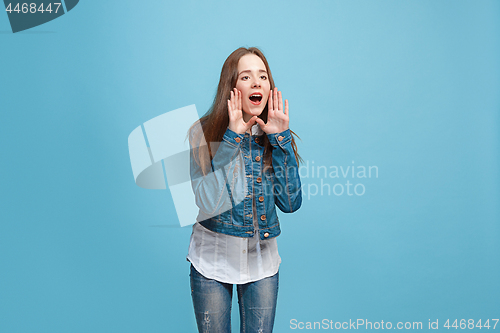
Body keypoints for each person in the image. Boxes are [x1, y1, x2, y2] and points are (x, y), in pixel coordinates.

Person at [186, 46, 302, 333]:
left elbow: (290, 203)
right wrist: (232, 139)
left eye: (262, 76)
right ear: (232, 87)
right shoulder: (202, 132)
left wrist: (281, 140)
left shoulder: (275, 135)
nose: (256, 83)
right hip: (211, 262)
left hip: (261, 262)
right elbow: (208, 201)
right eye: (246, 76)